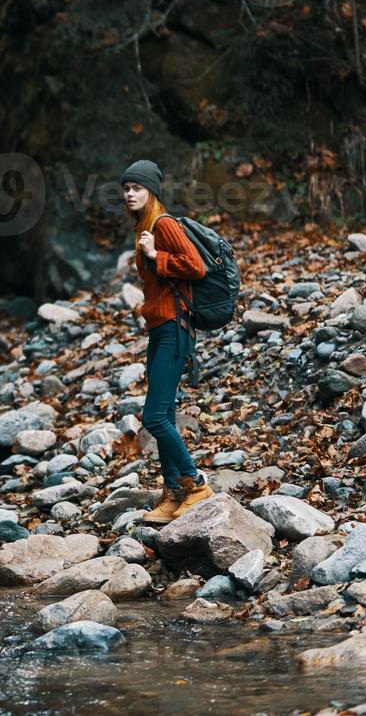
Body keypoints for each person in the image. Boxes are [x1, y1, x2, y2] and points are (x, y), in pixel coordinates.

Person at [119, 159, 215, 525]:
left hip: (176, 329)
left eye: (137, 188)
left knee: (154, 416)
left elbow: (196, 267)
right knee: (166, 414)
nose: (130, 193)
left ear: (152, 191)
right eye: (126, 188)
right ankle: (174, 492)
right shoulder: (143, 227)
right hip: (159, 328)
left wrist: (154, 256)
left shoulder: (164, 225)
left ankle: (196, 485)